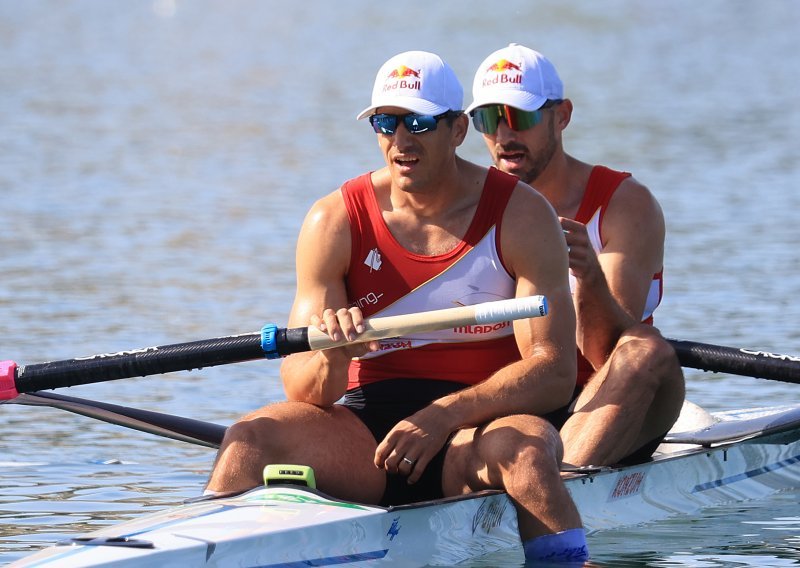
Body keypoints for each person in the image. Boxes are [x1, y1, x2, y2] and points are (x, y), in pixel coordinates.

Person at [205, 50, 590, 563]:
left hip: (478, 431)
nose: (401, 141)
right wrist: (335, 353)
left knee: (524, 457)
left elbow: (553, 374)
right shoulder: (333, 220)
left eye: (420, 123)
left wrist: (439, 416)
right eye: (386, 123)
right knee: (248, 439)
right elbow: (305, 390)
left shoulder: (522, 216)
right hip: (368, 441)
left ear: (457, 129)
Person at [466, 43, 685, 468]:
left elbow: (608, 353)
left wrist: (589, 275)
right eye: (489, 119)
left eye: (520, 117)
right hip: (512, 404)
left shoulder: (624, 205)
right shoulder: (467, 203)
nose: (505, 136)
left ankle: (558, 493)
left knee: (645, 350)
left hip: (603, 402)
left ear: (561, 116)